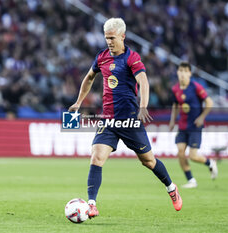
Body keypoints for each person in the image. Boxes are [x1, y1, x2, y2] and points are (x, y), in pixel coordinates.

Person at [68, 18, 182, 219]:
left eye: (112, 38)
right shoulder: (101, 57)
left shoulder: (132, 58)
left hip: (129, 119)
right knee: (96, 157)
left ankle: (171, 187)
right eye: (106, 38)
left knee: (148, 161)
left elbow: (143, 81)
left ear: (122, 36)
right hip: (109, 121)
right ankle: (92, 204)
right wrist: (78, 102)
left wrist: (143, 106)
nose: (109, 42)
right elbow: (89, 78)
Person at [169, 62, 218, 188]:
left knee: (193, 156)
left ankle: (210, 162)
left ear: (190, 73)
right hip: (182, 125)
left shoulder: (196, 87)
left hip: (195, 126)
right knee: (180, 153)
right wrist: (172, 120)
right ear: (178, 73)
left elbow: (209, 102)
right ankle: (191, 180)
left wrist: (202, 117)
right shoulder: (175, 89)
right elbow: (175, 105)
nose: (182, 74)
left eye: (185, 71)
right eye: (180, 71)